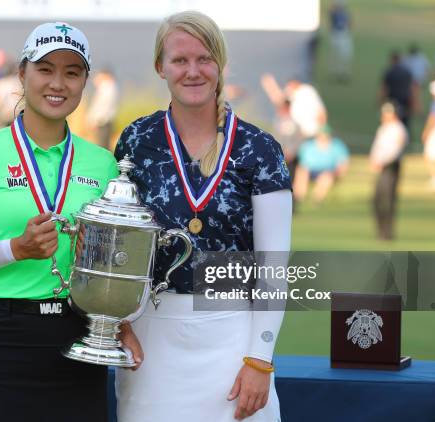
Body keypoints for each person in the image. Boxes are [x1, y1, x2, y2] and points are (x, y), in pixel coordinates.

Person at [0, 22, 118, 422]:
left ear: (85, 81)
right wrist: (17, 249)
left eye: (72, 72)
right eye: (45, 68)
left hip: (79, 338)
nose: (58, 83)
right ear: (22, 73)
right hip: (1, 336)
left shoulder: (103, 164)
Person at [114, 11, 292, 422]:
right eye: (179, 60)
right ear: (161, 67)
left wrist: (260, 358)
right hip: (150, 338)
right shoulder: (136, 140)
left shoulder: (259, 149)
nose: (192, 71)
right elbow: (119, 247)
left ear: (221, 64)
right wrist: (120, 326)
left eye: (204, 58)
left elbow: (273, 266)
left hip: (233, 337)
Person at [369, 102, 408, 240]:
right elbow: (377, 147)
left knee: (388, 199)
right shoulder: (383, 129)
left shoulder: (399, 129)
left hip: (391, 166)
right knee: (377, 199)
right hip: (381, 166)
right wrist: (374, 159)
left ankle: (387, 233)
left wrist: (382, 161)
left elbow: (395, 150)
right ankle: (380, 231)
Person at [293, 125, 349, 204]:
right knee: (302, 173)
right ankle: (298, 198)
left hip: (329, 171)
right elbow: (302, 162)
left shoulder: (337, 145)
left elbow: (343, 163)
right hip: (310, 170)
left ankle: (316, 201)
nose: (324, 136)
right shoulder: (308, 145)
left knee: (326, 177)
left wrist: (338, 172)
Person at [380, 50, 418, 132]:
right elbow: (412, 88)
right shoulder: (407, 72)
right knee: (405, 123)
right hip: (405, 101)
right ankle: (405, 140)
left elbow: (384, 88)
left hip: (392, 101)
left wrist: (380, 100)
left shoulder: (389, 72)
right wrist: (414, 101)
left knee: (391, 123)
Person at [86, 68, 119, 149]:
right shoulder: (110, 87)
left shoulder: (106, 88)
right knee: (105, 145)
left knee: (102, 146)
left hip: (103, 122)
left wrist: (94, 121)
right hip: (105, 122)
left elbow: (102, 107)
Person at [328, 1, 353, 82]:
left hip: (344, 33)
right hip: (336, 34)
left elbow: (350, 24)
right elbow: (331, 13)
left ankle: (343, 72)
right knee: (336, 54)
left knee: (345, 54)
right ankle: (336, 72)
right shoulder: (334, 13)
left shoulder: (345, 13)